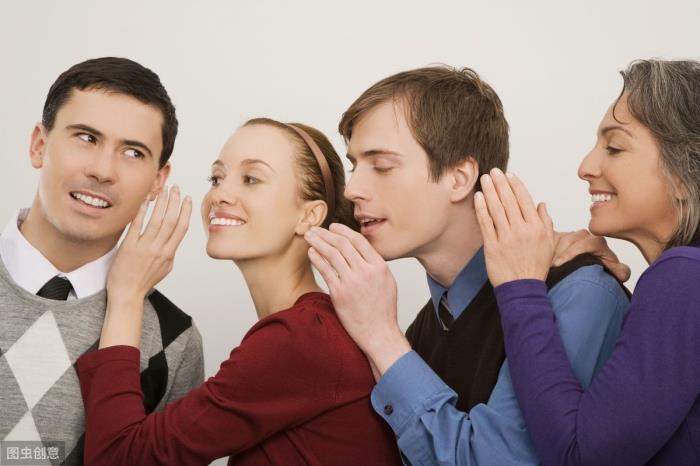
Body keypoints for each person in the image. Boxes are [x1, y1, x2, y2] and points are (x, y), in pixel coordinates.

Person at [304, 65, 630, 465]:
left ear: (459, 178)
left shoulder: (578, 293)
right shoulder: (423, 331)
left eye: (382, 166)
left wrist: (381, 338)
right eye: (355, 166)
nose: (353, 189)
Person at [76, 118, 403, 465]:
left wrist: (127, 293)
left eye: (251, 179)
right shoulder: (309, 329)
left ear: (309, 216)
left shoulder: (301, 340)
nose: (219, 194)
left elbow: (119, 457)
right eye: (217, 178)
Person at [475, 59, 700, 465]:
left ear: (684, 175)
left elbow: (581, 458)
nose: (585, 168)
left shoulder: (684, 277)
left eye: (614, 147)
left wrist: (520, 287)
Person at [0, 57, 204, 465]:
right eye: (86, 137)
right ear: (39, 145)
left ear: (158, 180)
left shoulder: (174, 342)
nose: (103, 170)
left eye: (133, 152)